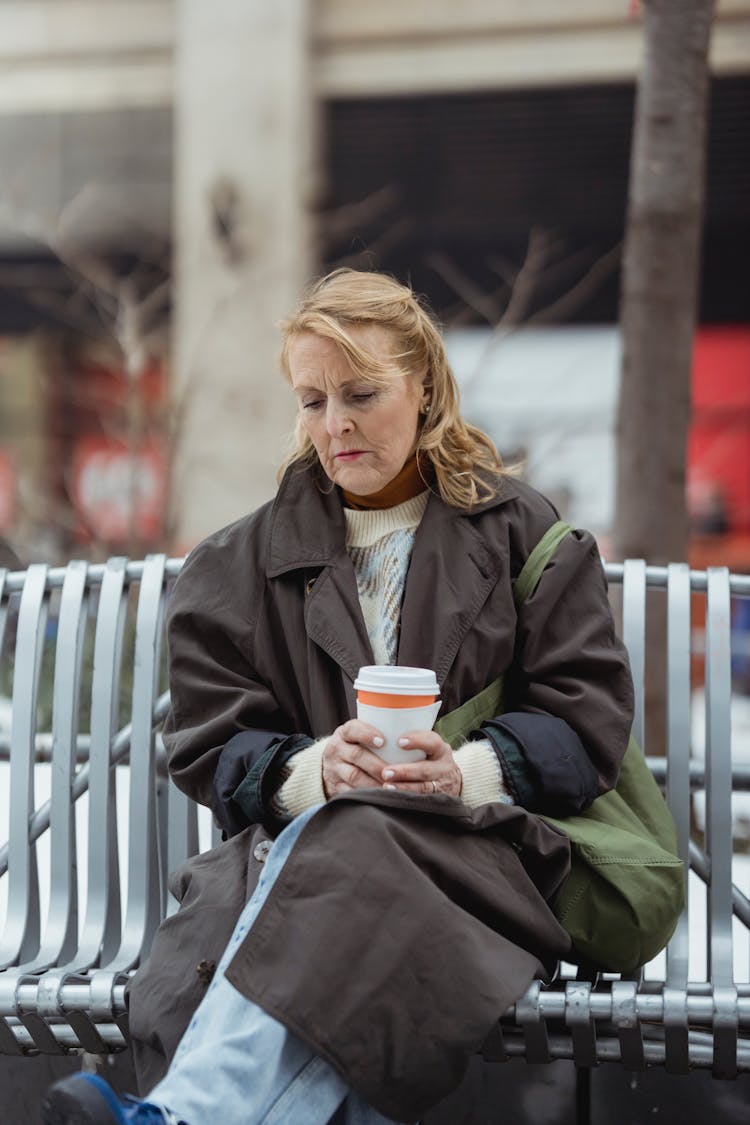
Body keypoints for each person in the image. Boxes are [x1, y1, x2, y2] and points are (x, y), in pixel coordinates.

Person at [43, 269, 634, 1125]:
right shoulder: (243, 563)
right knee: (339, 876)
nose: (335, 425)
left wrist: (465, 771)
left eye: (361, 393)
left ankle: (176, 1117)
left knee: (355, 872)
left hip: (485, 863)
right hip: (294, 869)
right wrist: (317, 769)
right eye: (312, 399)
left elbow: (588, 725)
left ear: (424, 387)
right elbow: (213, 743)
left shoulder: (521, 533)